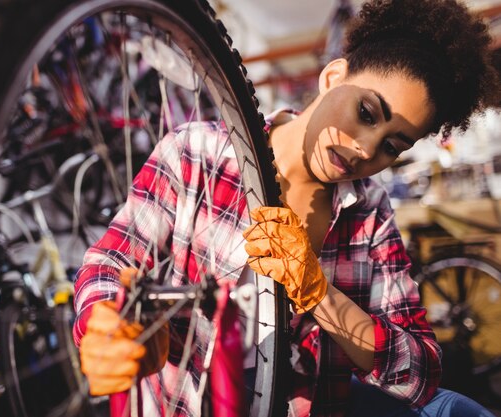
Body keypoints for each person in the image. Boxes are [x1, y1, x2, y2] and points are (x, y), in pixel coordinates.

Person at [73, 0, 501, 416]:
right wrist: (106, 322)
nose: (365, 148)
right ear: (333, 77)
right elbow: (109, 260)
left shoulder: (369, 212)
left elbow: (420, 372)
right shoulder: (197, 151)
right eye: (367, 113)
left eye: (392, 145)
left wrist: (319, 293)